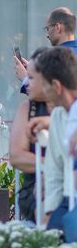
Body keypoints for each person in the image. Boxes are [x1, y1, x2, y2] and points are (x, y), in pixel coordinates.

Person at [28, 47, 77, 229]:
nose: (41, 89)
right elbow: (54, 170)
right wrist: (49, 213)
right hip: (68, 200)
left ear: (56, 86)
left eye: (43, 84)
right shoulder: (58, 115)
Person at [9, 49, 51, 222]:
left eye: (31, 78)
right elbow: (16, 157)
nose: (26, 83)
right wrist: (54, 166)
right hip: (36, 190)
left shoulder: (70, 110)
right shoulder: (28, 109)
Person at [14, 7, 77, 92]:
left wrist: (25, 78)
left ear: (58, 27)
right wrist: (35, 71)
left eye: (48, 28)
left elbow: (50, 97)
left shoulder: (58, 57)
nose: (47, 35)